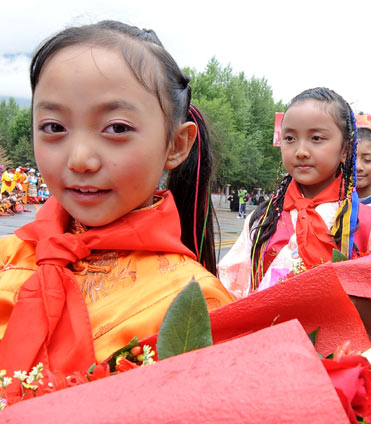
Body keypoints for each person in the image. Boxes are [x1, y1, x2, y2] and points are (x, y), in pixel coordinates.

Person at [0, 20, 235, 395]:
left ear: (176, 145)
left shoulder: (196, 304)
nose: (79, 159)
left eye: (117, 128)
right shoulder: (7, 259)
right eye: (54, 127)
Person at [218, 87, 371, 299]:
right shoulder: (263, 219)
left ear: (346, 149)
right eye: (290, 138)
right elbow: (231, 288)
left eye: (317, 138)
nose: (301, 151)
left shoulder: (370, 225)